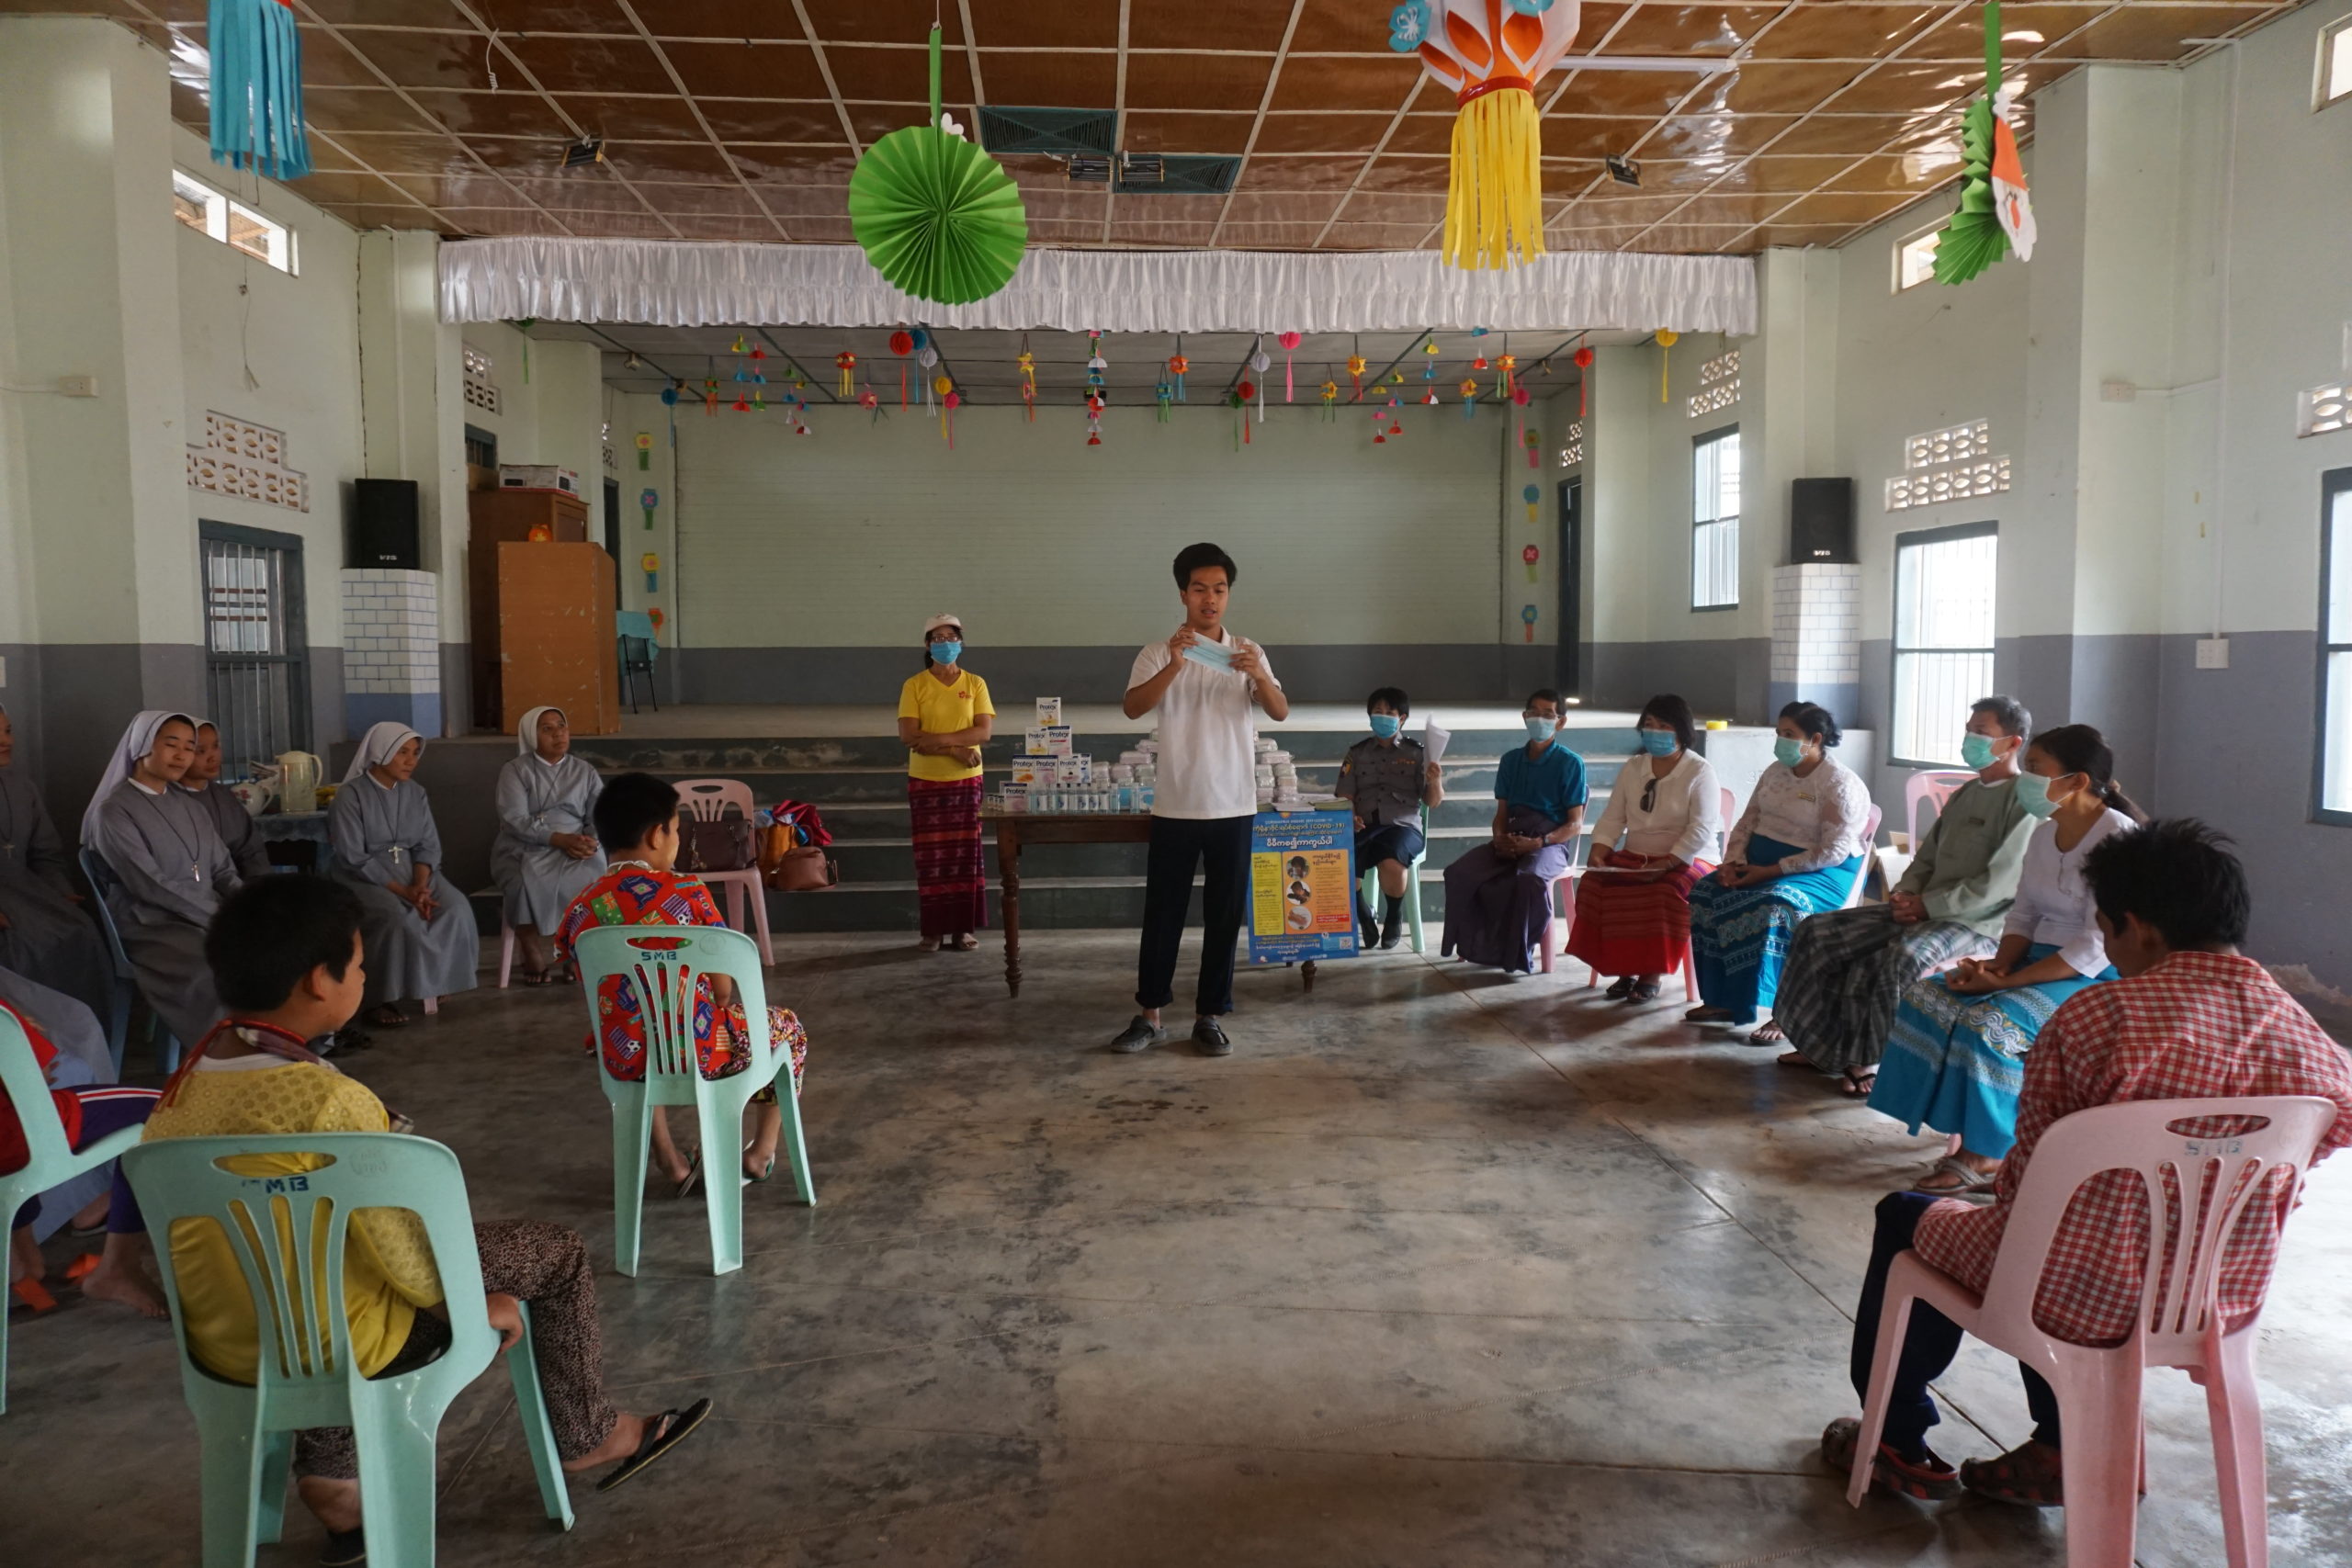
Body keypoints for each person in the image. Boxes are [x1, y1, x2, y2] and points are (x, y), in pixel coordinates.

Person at [139, 876, 709, 1564]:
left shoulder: (177, 1096)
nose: (364, 974)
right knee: (554, 1253)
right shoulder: (331, 1101)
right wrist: (471, 1308)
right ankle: (591, 1435)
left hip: (230, 1347)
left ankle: (334, 1477)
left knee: (304, 1258)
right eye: (357, 964)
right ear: (319, 982)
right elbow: (403, 1253)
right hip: (355, 1341)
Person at [1819, 820, 2352, 1506]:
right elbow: (2328, 1131)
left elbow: (2028, 1186)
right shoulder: (2303, 1035)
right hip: (2215, 1297)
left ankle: (1895, 1438)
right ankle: (2055, 1449)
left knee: (1910, 1216)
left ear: (2141, 930)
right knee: (2081, 1238)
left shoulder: (2093, 1020)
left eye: (2107, 931)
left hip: (2071, 1291)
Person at [1871, 725, 2143, 1193]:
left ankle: (1989, 1152)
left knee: (1990, 1025)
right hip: (2036, 959)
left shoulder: (2118, 839)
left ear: (2077, 781)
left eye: (2037, 769)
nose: (2027, 779)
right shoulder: (2044, 833)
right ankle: (1954, 1125)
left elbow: (2094, 946)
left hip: (2093, 974)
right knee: (1929, 999)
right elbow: (2024, 912)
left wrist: (2002, 985)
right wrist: (1997, 965)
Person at [555, 773, 809, 1190]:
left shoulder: (582, 908)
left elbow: (589, 981)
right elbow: (723, 990)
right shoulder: (688, 893)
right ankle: (759, 1154)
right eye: (676, 830)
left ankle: (670, 1159)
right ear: (657, 835)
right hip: (702, 1050)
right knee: (788, 1029)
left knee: (640, 1022)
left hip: (621, 1056)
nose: (676, 840)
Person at [1770, 695, 2038, 1092]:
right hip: (1922, 907)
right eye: (1969, 730)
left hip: (1974, 922)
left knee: (1897, 959)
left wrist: (1928, 905)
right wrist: (1906, 894)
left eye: (1981, 733)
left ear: (2013, 743)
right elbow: (1927, 856)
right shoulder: (1967, 793)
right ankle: (1821, 1047)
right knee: (1818, 932)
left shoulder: (2023, 803)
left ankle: (1874, 1061)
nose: (1970, 739)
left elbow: (1997, 884)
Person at [1108, 543, 1287, 1058]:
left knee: (1224, 915)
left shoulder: (1246, 651)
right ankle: (1150, 1015)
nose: (1211, 599)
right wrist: (1176, 663)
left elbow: (1278, 710)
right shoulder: (1157, 653)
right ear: (1183, 593)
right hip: (1177, 803)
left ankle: (1210, 1015)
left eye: (1221, 589)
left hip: (1233, 804)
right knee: (1162, 912)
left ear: (1228, 595)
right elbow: (1132, 707)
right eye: (1201, 589)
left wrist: (1256, 674)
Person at [1686, 701, 1869, 1032]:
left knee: (1775, 904)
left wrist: (1772, 871)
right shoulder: (1775, 772)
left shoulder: (1839, 784)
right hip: (1759, 861)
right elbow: (1748, 820)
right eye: (1779, 733)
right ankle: (1723, 1000)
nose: (1781, 741)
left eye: (1789, 734)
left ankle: (1784, 1012)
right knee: (1705, 892)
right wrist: (1733, 863)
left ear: (1814, 739)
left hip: (1820, 872)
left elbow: (1833, 851)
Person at [82, 711, 240, 1050]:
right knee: (213, 963)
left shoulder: (192, 808)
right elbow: (149, 885)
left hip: (206, 914)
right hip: (151, 923)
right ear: (141, 746)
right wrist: (219, 915)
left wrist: (246, 906)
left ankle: (269, 1048)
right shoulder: (115, 811)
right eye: (171, 745)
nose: (182, 755)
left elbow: (223, 869)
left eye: (189, 747)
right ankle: (221, 1055)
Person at [1, 992, 164, 1318]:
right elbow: (42, 1073)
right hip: (27, 1132)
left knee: (12, 1175)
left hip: (7, 1157)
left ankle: (23, 1271)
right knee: (170, 1105)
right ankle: (117, 1262)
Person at [1566, 694, 1724, 1001]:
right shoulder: (1634, 767)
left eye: (1664, 725)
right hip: (1637, 855)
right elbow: (1614, 816)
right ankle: (1624, 968)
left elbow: (1701, 829)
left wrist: (1668, 862)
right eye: (1649, 724)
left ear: (1681, 730)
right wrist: (1600, 848)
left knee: (1663, 892)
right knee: (1596, 883)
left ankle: (1652, 973)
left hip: (1691, 860)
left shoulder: (1700, 772)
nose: (1655, 731)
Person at [327, 723, 479, 1028]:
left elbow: (428, 845)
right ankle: (379, 998)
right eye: (403, 753)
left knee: (456, 907)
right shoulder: (350, 796)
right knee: (394, 917)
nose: (412, 761)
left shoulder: (416, 793)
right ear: (380, 752)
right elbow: (353, 857)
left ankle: (437, 980)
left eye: (415, 753)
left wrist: (420, 886)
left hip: (416, 873)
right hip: (364, 878)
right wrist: (403, 891)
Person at [1441, 690, 1589, 975]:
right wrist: (1499, 838)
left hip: (1550, 843)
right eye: (1533, 712)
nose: (1539, 719)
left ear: (1560, 723)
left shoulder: (1570, 763)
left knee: (1529, 879)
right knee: (1459, 872)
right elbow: (1501, 815)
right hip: (1511, 837)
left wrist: (1539, 842)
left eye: (1548, 715)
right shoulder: (1510, 761)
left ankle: (1516, 954)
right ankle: (1470, 944)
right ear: (1524, 717)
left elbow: (1575, 824)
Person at [0, 703, 112, 1020]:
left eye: (7, 731)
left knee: (82, 931)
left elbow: (45, 852)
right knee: (20, 948)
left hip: (28, 890)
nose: (5, 741)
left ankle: (79, 1047)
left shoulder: (23, 788)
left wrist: (61, 891)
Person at [897, 615, 995, 953]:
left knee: (966, 855)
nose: (945, 644)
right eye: (937, 638)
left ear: (961, 642)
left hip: (967, 782)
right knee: (932, 858)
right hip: (925, 781)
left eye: (951, 637)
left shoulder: (976, 683)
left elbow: (982, 732)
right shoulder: (915, 685)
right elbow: (909, 735)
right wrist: (955, 747)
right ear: (927, 645)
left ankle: (962, 930)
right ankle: (933, 932)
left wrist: (936, 741)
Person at [491, 705, 605, 984]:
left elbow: (598, 813)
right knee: (520, 881)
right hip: (524, 845)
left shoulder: (584, 770)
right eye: (547, 729)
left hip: (576, 843)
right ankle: (530, 948)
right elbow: (514, 819)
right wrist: (557, 839)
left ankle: (575, 951)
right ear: (532, 735)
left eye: (561, 726)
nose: (558, 734)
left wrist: (591, 840)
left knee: (592, 875)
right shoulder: (515, 770)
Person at [1335, 687, 1442, 950]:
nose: (1382, 717)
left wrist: (1435, 780)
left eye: (1389, 713)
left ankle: (1393, 916)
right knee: (1338, 860)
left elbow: (1433, 801)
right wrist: (1351, 817)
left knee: (1392, 862)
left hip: (1402, 827)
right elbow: (1345, 795)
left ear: (1402, 718)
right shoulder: (1357, 753)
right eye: (1377, 712)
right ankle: (1364, 914)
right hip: (1365, 824)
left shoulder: (1417, 753)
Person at [178, 720, 273, 880]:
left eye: (216, 746)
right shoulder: (168, 800)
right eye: (200, 751)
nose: (213, 757)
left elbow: (251, 849)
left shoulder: (224, 796)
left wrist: (257, 887)